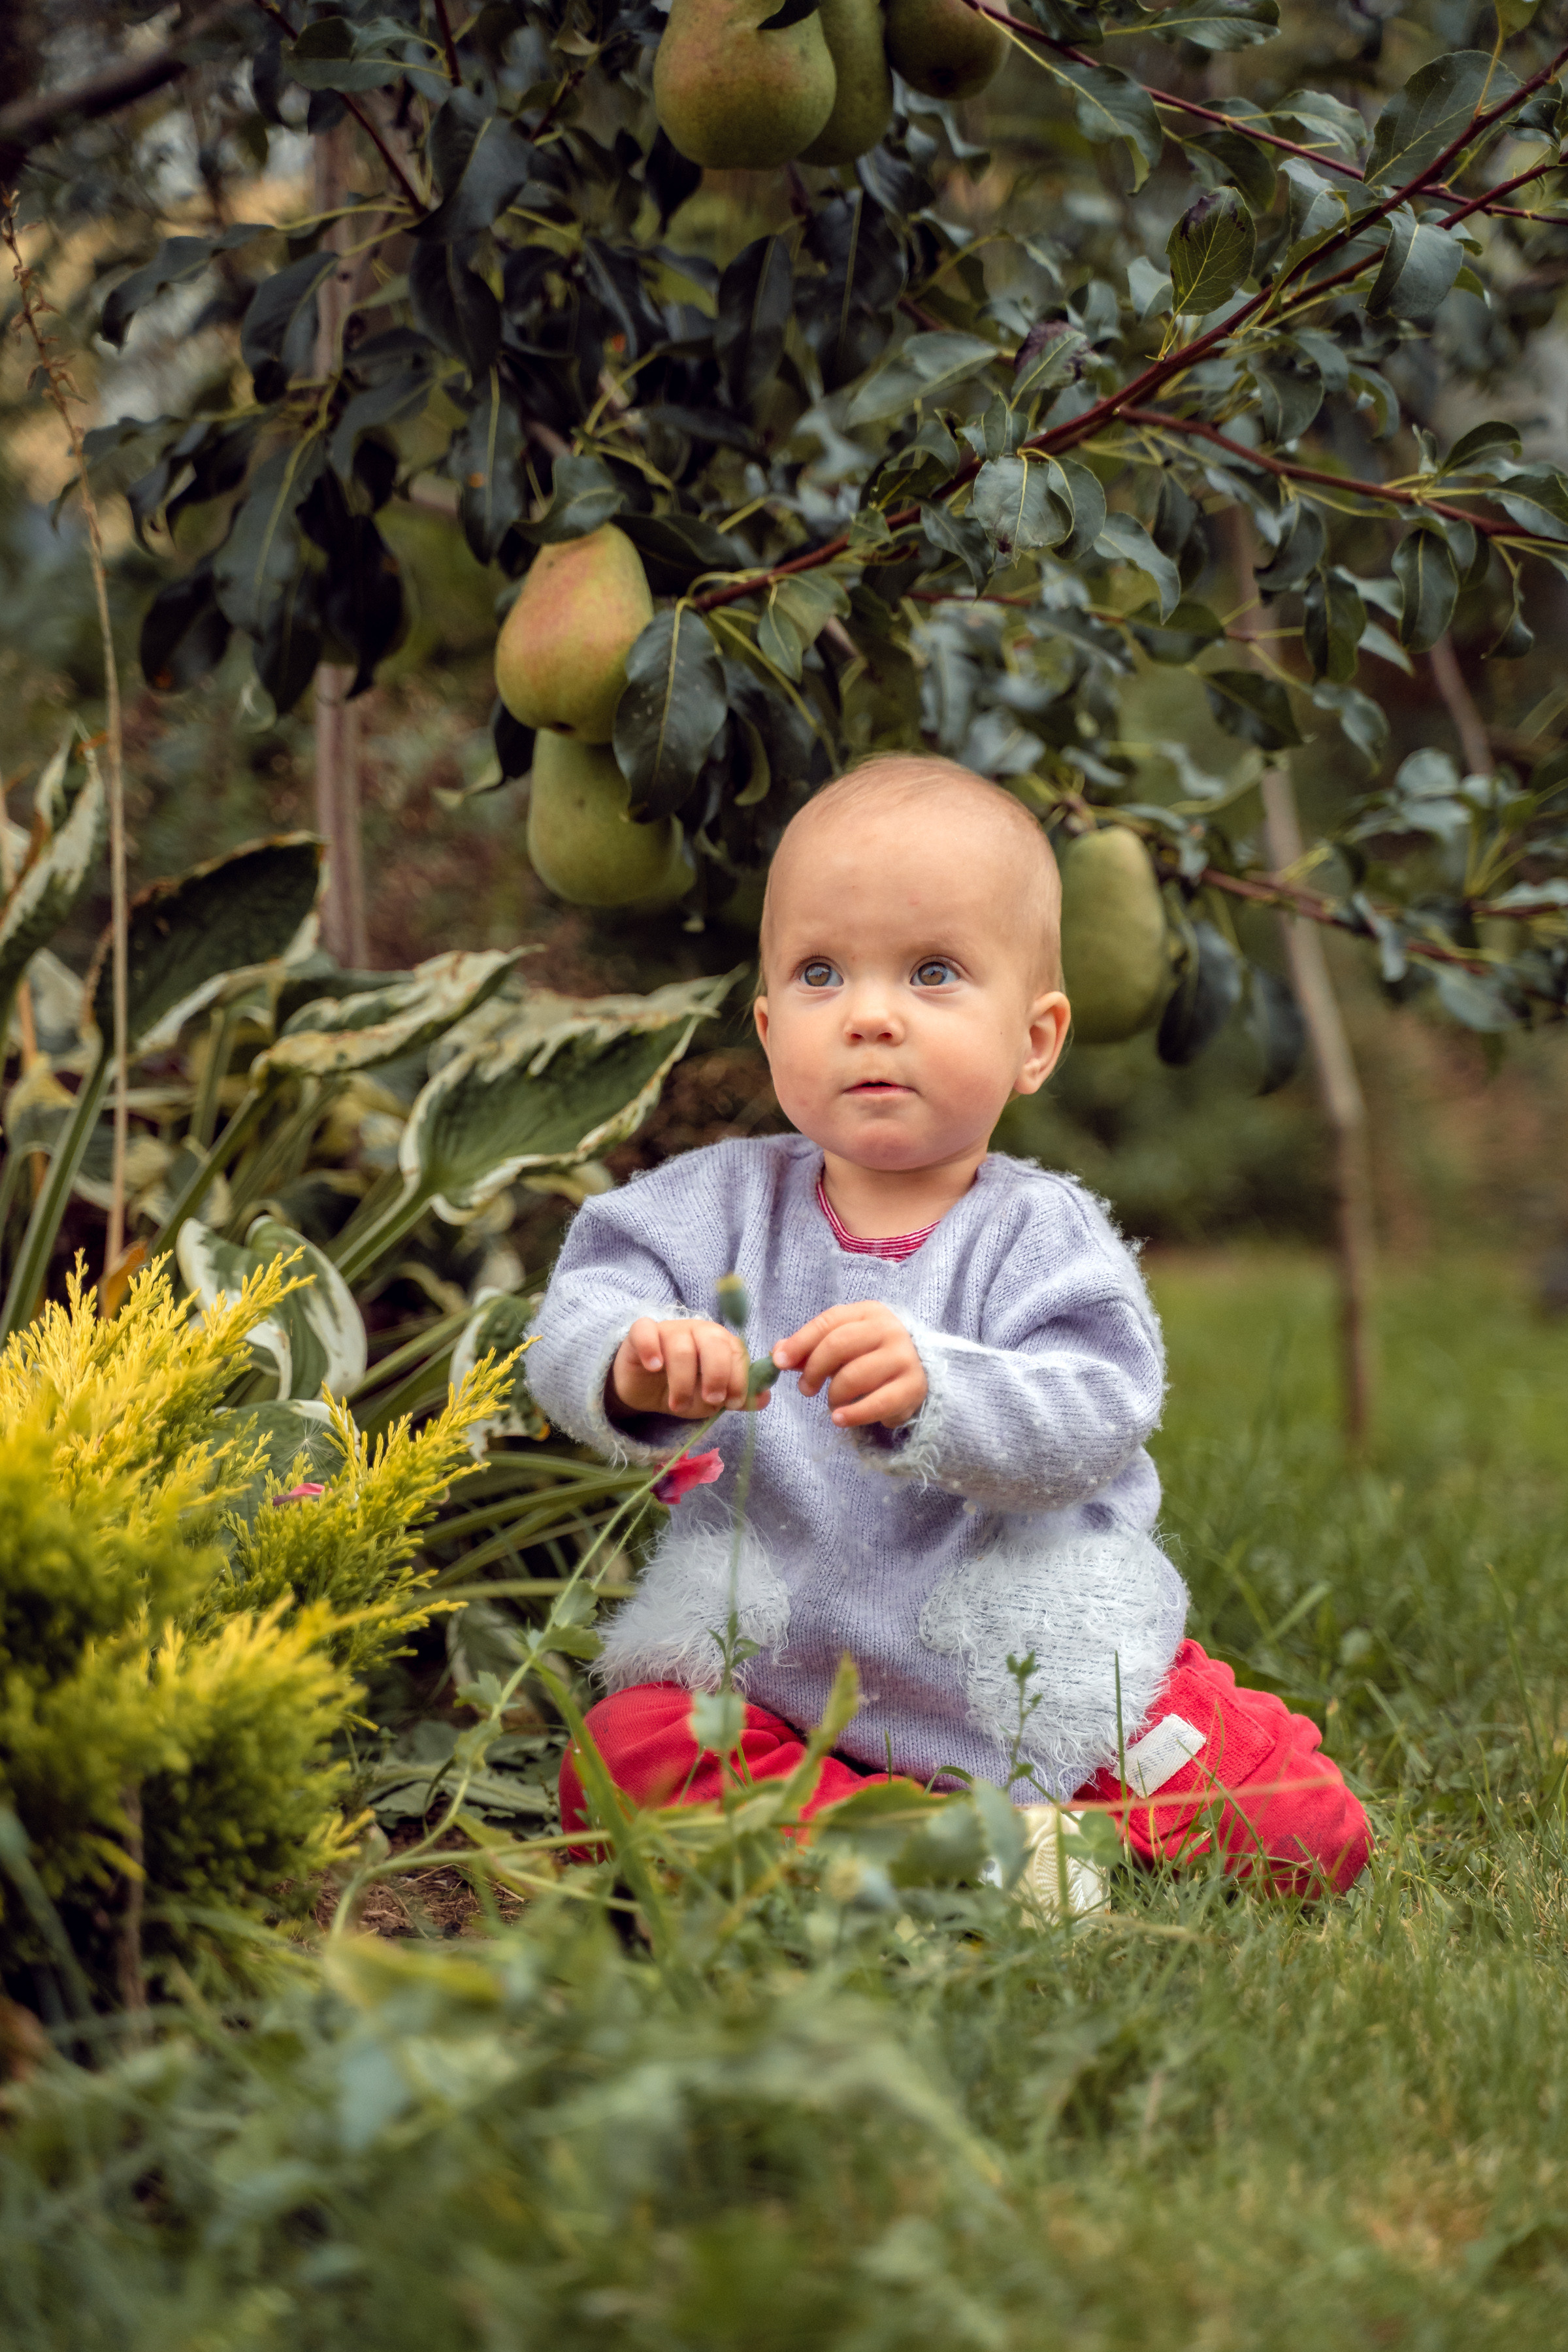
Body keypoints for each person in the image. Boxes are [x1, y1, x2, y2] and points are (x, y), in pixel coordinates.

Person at [526, 755, 1370, 1900]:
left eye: (932, 973)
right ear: (770, 1029)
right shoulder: (711, 1205)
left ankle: (1029, 1799)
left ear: (1036, 1039)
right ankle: (965, 1853)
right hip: (777, 1677)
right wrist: (633, 1364)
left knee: (1303, 1833)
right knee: (624, 1765)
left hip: (1029, 1675)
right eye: (822, 974)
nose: (870, 1016)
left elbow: (1099, 1407)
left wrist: (942, 1389)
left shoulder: (1042, 1234)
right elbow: (582, 1306)